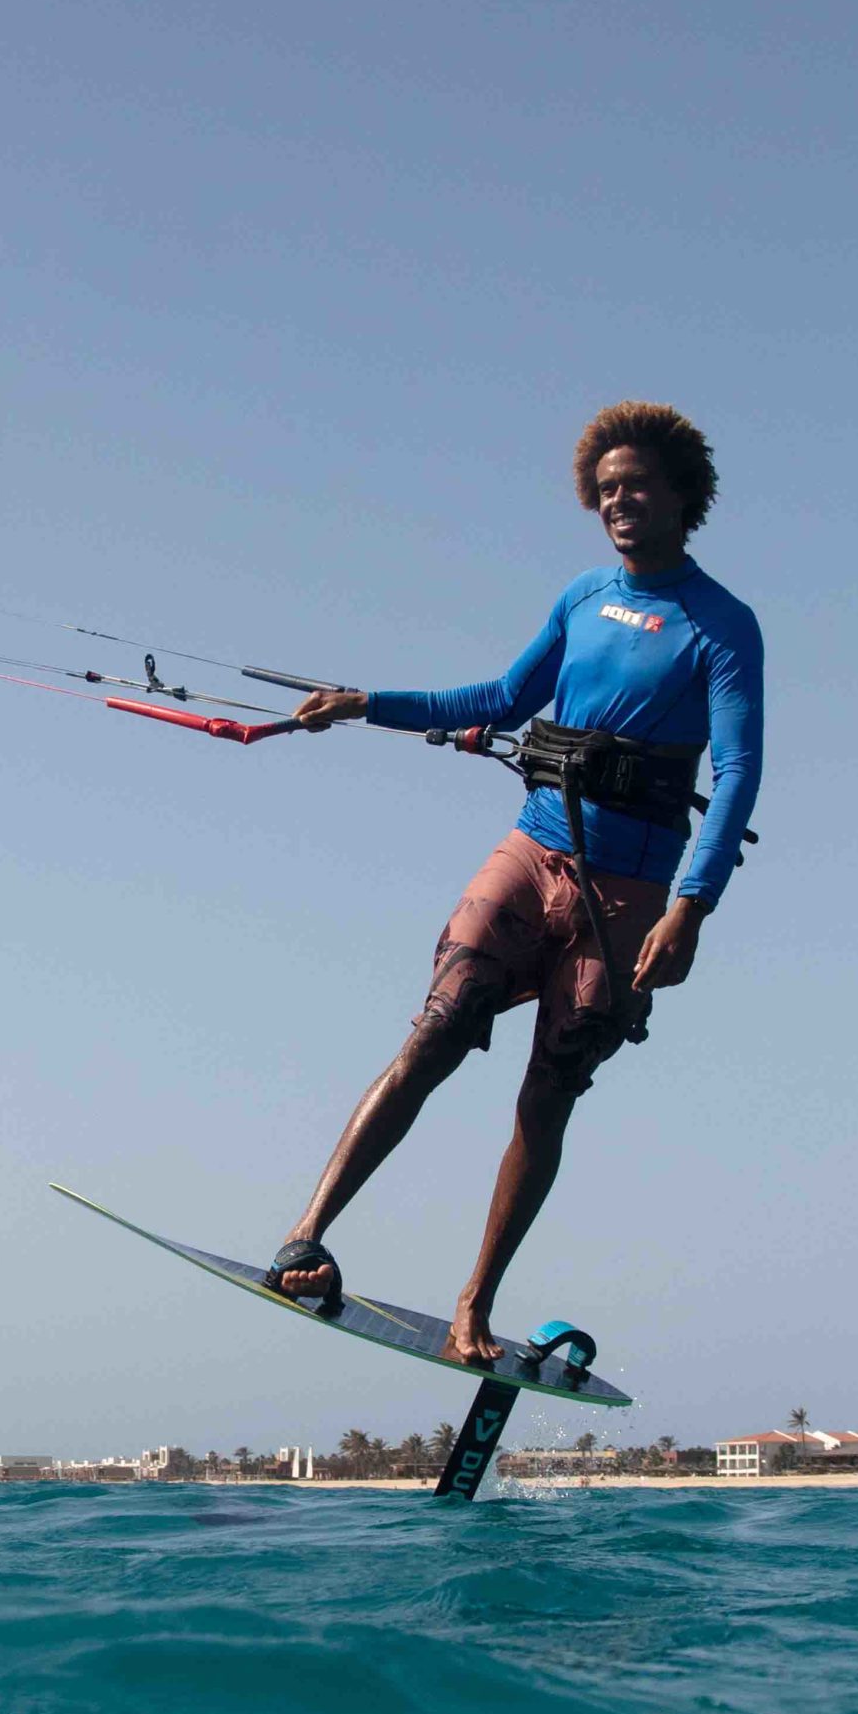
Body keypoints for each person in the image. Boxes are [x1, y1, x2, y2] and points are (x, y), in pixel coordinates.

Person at [266, 401, 763, 1365]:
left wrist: (692, 908)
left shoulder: (723, 626)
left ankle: (473, 1309)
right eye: (607, 488)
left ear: (682, 498)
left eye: (638, 486)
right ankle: (307, 1233)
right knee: (438, 1029)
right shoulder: (582, 598)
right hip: (532, 852)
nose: (620, 501)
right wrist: (370, 704)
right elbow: (499, 699)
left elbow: (738, 772)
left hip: (629, 891)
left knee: (549, 1097)